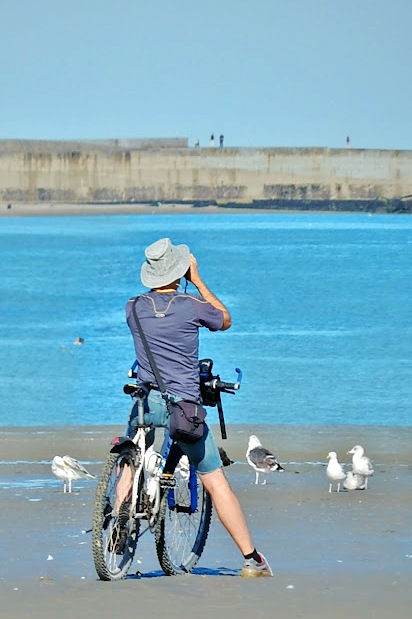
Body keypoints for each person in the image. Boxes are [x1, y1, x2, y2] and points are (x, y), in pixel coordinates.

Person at [125, 238, 273, 577]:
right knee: (214, 480)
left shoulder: (132, 308)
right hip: (183, 409)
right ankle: (252, 559)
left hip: (145, 402)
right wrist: (197, 278)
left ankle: (119, 527)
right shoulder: (190, 305)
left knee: (130, 460)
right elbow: (224, 319)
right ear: (178, 271)